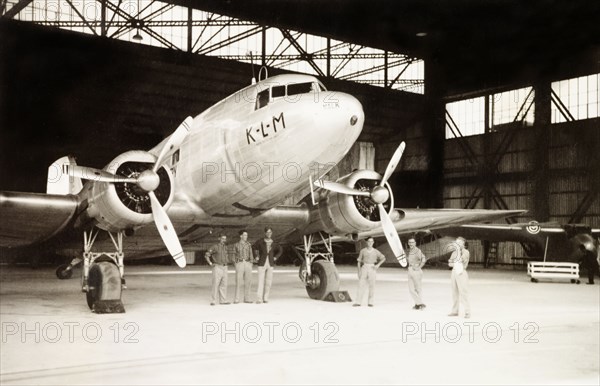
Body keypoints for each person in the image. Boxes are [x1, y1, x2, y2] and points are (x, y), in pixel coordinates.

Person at [353, 237, 386, 307]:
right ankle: (358, 302)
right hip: (364, 267)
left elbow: (383, 258)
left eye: (372, 241)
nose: (370, 243)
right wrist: (359, 271)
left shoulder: (376, 251)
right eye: (369, 241)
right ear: (367, 242)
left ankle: (370, 302)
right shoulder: (363, 251)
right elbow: (359, 262)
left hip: (372, 268)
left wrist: (378, 265)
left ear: (373, 242)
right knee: (361, 284)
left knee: (372, 285)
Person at [253, 227, 283, 303]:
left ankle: (266, 298)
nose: (269, 234)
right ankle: (259, 299)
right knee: (260, 281)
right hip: (262, 263)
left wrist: (276, 257)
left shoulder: (274, 242)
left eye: (270, 232)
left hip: (270, 263)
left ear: (272, 233)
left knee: (268, 282)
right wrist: (256, 256)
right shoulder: (260, 241)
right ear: (265, 233)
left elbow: (280, 250)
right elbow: (253, 247)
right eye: (267, 232)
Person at [448, 237, 471, 318]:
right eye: (456, 243)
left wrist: (454, 262)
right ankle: (455, 311)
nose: (457, 244)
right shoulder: (454, 253)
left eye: (459, 243)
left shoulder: (466, 252)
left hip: (461, 272)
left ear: (463, 244)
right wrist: (455, 263)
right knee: (454, 293)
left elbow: (460, 260)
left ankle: (467, 311)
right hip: (454, 272)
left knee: (463, 292)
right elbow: (449, 264)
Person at [205, 234, 230, 306]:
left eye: (225, 239)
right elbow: (207, 255)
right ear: (219, 238)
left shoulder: (225, 247)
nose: (224, 240)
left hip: (225, 267)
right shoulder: (215, 247)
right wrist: (210, 263)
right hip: (217, 267)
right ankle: (213, 300)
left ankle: (223, 300)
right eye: (222, 238)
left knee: (224, 284)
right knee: (215, 284)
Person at [234, 230, 255, 303]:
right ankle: (237, 299)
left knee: (248, 282)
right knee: (238, 281)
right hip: (239, 263)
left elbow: (251, 253)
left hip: (247, 263)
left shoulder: (248, 244)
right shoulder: (236, 244)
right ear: (241, 236)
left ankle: (247, 298)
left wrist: (251, 263)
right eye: (245, 235)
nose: (246, 236)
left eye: (246, 235)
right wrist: (236, 263)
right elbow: (233, 254)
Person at [406, 237, 427, 310]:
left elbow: (424, 259)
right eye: (410, 242)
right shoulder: (410, 251)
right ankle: (419, 303)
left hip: (416, 271)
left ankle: (418, 304)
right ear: (408, 243)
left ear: (415, 243)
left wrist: (419, 267)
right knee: (411, 289)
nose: (411, 244)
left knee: (418, 289)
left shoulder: (417, 250)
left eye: (412, 242)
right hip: (410, 269)